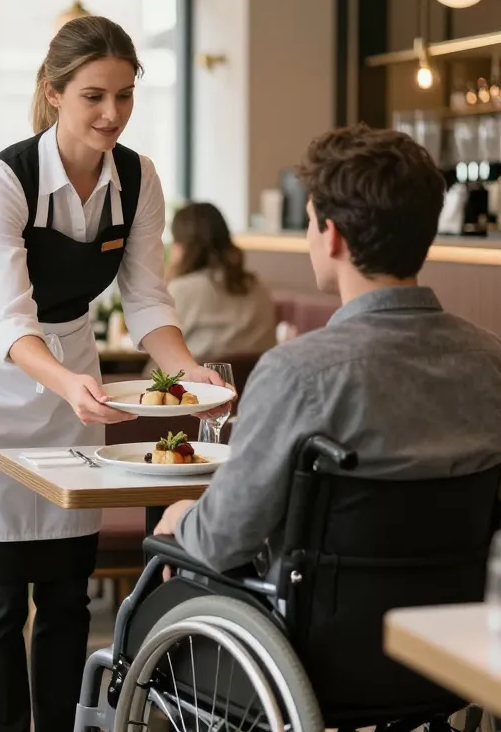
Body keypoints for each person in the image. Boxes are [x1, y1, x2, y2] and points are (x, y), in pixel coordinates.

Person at [0, 16, 223, 732]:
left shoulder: (138, 176)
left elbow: (150, 300)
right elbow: (9, 319)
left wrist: (192, 376)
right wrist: (66, 384)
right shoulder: (6, 177)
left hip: (71, 372)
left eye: (125, 96)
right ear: (53, 93)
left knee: (66, 595)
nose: (112, 114)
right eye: (94, 96)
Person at [154, 124, 501, 572]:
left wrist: (183, 518)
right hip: (448, 629)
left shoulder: (296, 374)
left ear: (331, 235)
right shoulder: (491, 360)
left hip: (316, 631)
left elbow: (222, 539)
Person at [165, 202, 277, 361]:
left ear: (182, 246)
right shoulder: (258, 286)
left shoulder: (182, 289)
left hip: (191, 384)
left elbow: (159, 356)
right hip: (252, 384)